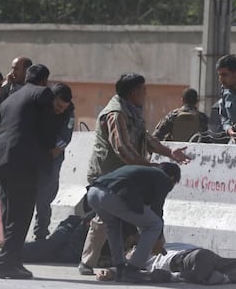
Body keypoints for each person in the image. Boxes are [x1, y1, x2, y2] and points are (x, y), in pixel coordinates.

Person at [79, 73, 190, 275]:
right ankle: (88, 261)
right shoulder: (116, 113)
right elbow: (122, 148)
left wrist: (169, 152)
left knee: (116, 220)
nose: (146, 94)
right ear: (133, 93)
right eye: (143, 90)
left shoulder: (132, 112)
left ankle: (121, 263)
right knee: (105, 219)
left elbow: (145, 139)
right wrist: (148, 167)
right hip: (107, 174)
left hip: (124, 176)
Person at [0, 64, 56, 279]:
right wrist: (49, 149)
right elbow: (48, 130)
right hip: (22, 160)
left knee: (10, 212)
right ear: (44, 81)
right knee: (22, 212)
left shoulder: (9, 98)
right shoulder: (43, 93)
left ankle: (13, 260)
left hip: (0, 157)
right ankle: (6, 263)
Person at [86, 162, 181, 282]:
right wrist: (158, 240)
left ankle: (120, 268)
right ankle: (133, 269)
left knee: (113, 226)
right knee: (155, 224)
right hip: (112, 196)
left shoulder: (143, 174)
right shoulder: (164, 179)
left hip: (93, 193)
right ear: (172, 178)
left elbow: (135, 212)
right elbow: (156, 209)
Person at [96, 242, 236, 284]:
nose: (133, 249)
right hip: (184, 262)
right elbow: (118, 270)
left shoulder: (155, 244)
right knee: (201, 269)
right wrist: (108, 271)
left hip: (200, 256)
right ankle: (216, 278)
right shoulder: (139, 264)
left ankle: (221, 278)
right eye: (130, 251)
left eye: (133, 248)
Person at [33, 83, 75, 240]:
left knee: (44, 198)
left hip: (51, 159)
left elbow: (65, 139)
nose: (60, 110)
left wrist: (47, 157)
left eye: (64, 107)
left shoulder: (69, 114)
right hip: (32, 156)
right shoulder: (39, 107)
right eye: (58, 105)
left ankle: (41, 234)